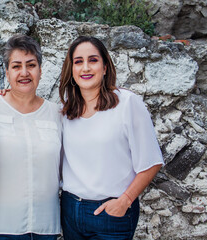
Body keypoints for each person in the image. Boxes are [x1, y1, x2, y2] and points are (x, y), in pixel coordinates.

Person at [59, 36, 164, 240]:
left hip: (111, 213)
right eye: (78, 62)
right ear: (71, 70)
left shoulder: (127, 104)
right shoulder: (66, 112)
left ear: (105, 67)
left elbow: (151, 162)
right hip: (70, 210)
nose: (86, 68)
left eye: (93, 60)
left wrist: (125, 201)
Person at [0, 35, 62, 240]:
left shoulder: (57, 114)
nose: (24, 73)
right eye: (16, 66)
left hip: (47, 227)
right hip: (1, 226)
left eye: (31, 65)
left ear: (40, 71)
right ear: (7, 72)